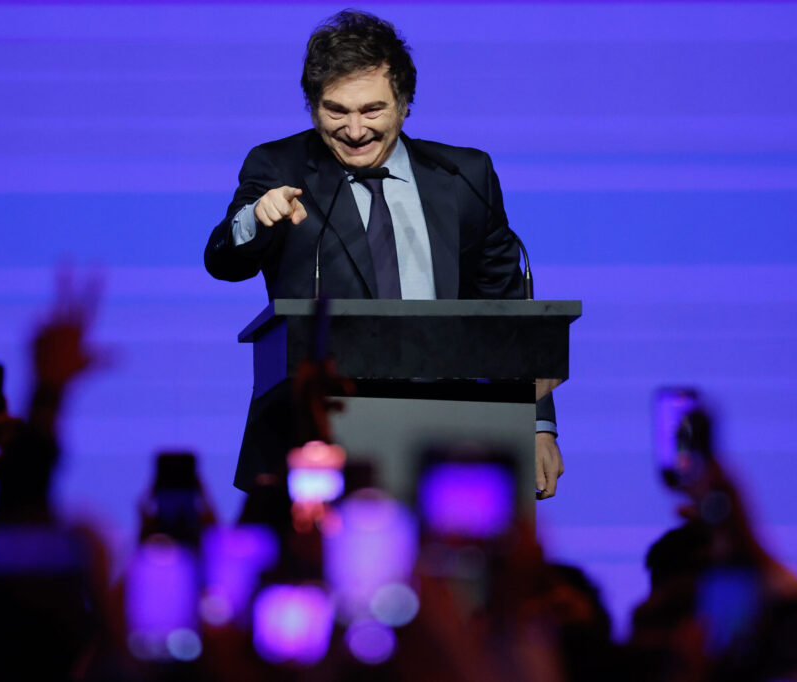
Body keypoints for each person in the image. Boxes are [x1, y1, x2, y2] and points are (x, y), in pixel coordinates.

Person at [205, 9, 564, 499]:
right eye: (336, 111)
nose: (355, 130)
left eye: (372, 111)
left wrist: (536, 423)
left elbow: (507, 311)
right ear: (312, 107)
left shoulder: (464, 176)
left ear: (404, 104)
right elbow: (223, 261)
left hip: (451, 439)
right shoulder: (279, 165)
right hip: (315, 443)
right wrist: (256, 217)